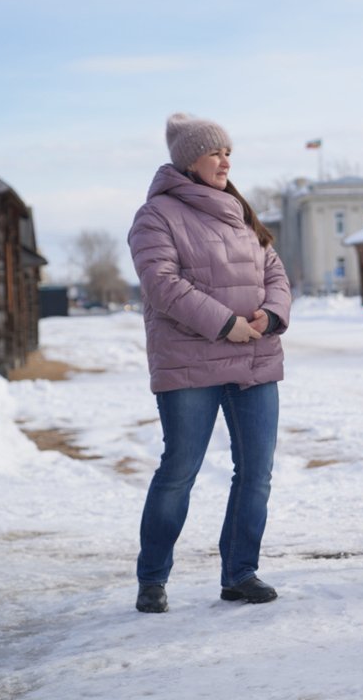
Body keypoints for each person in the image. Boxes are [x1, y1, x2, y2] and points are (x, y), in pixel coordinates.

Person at [128, 113, 292, 613]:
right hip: (190, 363)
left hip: (254, 358)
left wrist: (271, 314)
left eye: (228, 153)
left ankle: (240, 573)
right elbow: (162, 284)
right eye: (215, 152)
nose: (225, 161)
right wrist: (225, 323)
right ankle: (152, 579)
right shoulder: (155, 215)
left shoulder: (240, 212)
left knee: (256, 473)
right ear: (188, 161)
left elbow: (275, 272)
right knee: (180, 470)